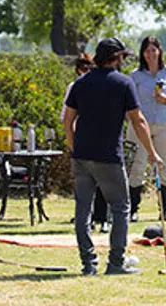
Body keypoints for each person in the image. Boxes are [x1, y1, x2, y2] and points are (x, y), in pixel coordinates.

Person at [64, 37, 162, 276]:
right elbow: (138, 121)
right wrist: (152, 152)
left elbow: (68, 121)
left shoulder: (81, 82)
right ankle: (115, 264)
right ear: (117, 58)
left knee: (82, 210)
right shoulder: (123, 83)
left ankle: (88, 264)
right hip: (108, 156)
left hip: (82, 156)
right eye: (122, 57)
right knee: (120, 207)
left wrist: (75, 147)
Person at [126, 36, 166, 222]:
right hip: (141, 126)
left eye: (154, 50)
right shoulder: (135, 75)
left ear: (159, 51)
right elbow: (127, 101)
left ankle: (164, 210)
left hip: (164, 125)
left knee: (164, 165)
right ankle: (133, 209)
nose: (150, 54)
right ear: (142, 54)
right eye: (147, 51)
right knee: (138, 166)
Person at [61, 54, 110, 233]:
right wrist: (73, 142)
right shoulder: (74, 87)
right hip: (81, 141)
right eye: (82, 68)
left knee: (103, 182)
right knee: (84, 185)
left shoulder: (102, 85)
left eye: (88, 67)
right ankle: (86, 219)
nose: (85, 71)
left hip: (101, 140)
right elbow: (66, 118)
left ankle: (103, 218)